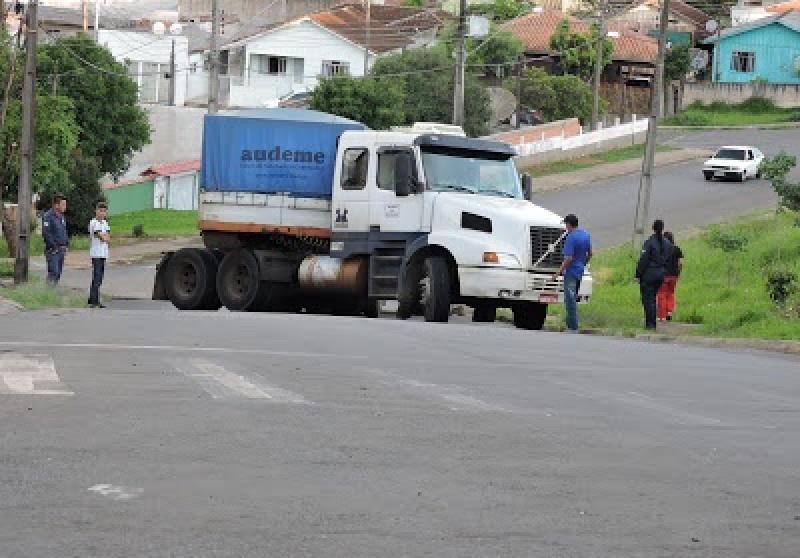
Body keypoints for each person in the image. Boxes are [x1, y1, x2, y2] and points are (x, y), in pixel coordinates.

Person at [554, 214, 592, 333]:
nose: (566, 227)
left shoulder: (571, 237)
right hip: (580, 270)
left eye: (566, 224)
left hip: (570, 271)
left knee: (569, 299)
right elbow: (590, 253)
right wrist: (583, 263)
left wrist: (558, 272)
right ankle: (569, 324)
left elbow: (569, 258)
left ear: (569, 225)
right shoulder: (585, 235)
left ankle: (573, 326)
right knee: (573, 297)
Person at [636, 219, 672, 330]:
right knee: (653, 298)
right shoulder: (668, 243)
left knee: (648, 300)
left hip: (649, 274)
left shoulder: (649, 242)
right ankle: (652, 323)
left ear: (653, 227)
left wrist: (638, 274)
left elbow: (644, 260)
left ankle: (650, 324)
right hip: (661, 274)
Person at [41, 194, 69, 286]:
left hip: (61, 250)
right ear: (56, 205)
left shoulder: (61, 217)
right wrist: (54, 246)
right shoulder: (48, 216)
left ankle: (52, 292)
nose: (65, 207)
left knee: (58, 274)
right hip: (53, 250)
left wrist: (66, 244)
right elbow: (46, 233)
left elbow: (64, 231)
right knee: (54, 272)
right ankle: (47, 293)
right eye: (63, 204)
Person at [88, 202, 111, 308]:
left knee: (100, 277)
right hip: (96, 253)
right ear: (96, 211)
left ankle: (93, 298)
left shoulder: (105, 223)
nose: (102, 213)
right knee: (96, 277)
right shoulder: (93, 222)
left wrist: (105, 237)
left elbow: (108, 236)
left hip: (103, 254)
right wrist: (104, 237)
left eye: (104, 211)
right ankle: (94, 300)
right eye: (100, 211)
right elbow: (101, 236)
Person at [657, 231, 683, 322]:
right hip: (674, 276)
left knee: (661, 295)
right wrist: (678, 274)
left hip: (663, 276)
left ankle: (662, 316)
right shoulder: (677, 249)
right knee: (670, 294)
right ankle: (669, 312)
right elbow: (680, 263)